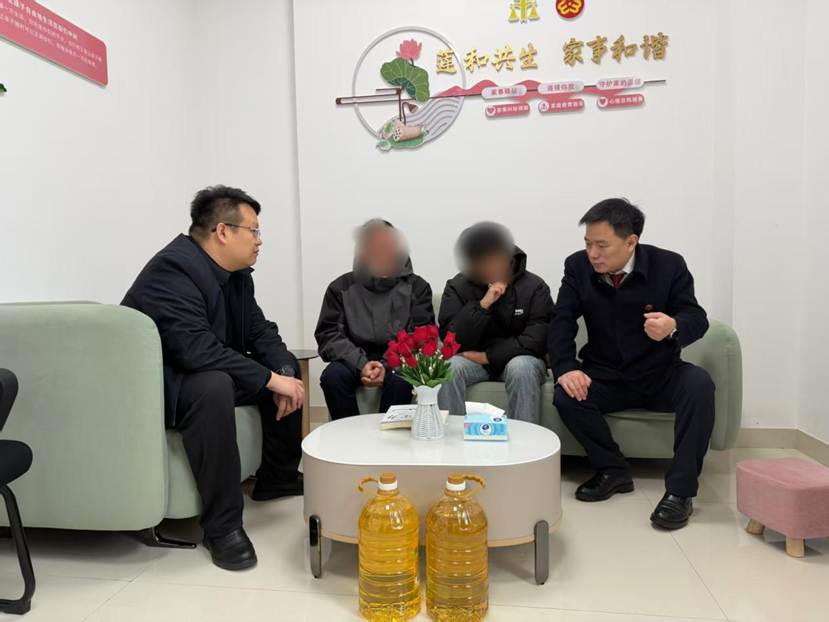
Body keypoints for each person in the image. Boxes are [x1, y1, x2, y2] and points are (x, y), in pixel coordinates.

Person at [122, 185, 305, 570]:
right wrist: (271, 381)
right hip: (163, 385)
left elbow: (259, 331)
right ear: (223, 231)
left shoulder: (237, 277)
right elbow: (194, 350)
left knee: (283, 364)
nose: (259, 240)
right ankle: (222, 527)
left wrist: (284, 372)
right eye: (254, 231)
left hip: (203, 372)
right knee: (216, 384)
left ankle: (278, 477)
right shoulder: (173, 269)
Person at [549, 198, 714, 530]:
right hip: (606, 375)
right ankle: (612, 470)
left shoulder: (669, 265)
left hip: (659, 374)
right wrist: (566, 367)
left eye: (602, 245)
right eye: (588, 243)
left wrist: (673, 325)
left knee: (699, 384)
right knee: (567, 394)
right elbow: (562, 320)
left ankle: (680, 493)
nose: (592, 253)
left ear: (631, 242)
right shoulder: (577, 267)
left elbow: (696, 318)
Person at [315, 219, 434, 419]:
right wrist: (362, 364)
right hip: (352, 358)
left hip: (399, 360)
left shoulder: (418, 287)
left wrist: (386, 365)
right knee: (332, 377)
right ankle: (348, 434)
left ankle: (388, 435)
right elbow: (329, 334)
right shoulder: (340, 288)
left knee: (403, 379)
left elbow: (420, 334)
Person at [438, 222, 552, 422]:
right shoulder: (456, 287)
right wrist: (483, 305)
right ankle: (452, 438)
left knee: (522, 367)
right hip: (472, 362)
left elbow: (538, 338)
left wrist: (488, 356)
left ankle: (524, 439)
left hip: (518, 359)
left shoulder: (535, 287)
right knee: (449, 367)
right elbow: (450, 340)